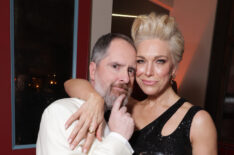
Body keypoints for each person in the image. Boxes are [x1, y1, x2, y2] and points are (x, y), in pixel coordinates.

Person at [64, 13, 217, 154]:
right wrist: (94, 99)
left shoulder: (198, 121)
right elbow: (71, 84)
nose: (148, 71)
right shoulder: (126, 106)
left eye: (160, 61)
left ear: (174, 68)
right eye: (141, 61)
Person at [36, 33, 137, 155]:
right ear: (93, 71)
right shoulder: (60, 113)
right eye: (115, 66)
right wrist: (118, 138)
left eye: (131, 70)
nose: (126, 78)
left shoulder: (118, 119)